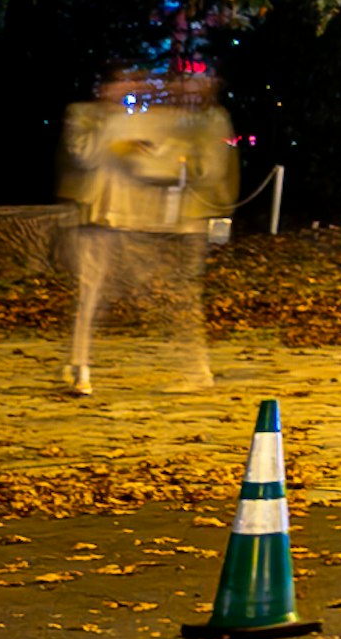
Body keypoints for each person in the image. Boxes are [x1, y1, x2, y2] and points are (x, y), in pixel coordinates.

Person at [57, 59, 236, 392]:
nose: (131, 88)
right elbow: (86, 156)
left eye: (135, 82)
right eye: (124, 82)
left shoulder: (181, 121)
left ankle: (196, 369)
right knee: (90, 294)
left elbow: (172, 164)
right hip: (95, 216)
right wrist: (120, 139)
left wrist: (151, 158)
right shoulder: (85, 114)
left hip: (147, 220)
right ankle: (79, 366)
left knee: (171, 294)